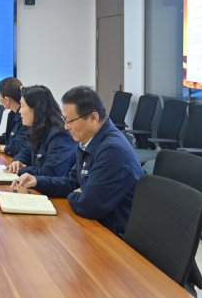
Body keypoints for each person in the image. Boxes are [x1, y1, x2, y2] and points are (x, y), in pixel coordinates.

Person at [11, 86, 143, 235]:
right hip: (93, 226)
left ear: (93, 118)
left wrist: (77, 193)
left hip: (112, 235)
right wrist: (36, 181)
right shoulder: (88, 140)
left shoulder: (112, 150)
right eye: (64, 119)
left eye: (70, 121)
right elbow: (71, 182)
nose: (66, 127)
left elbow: (89, 205)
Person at [4, 85, 76, 178]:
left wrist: (21, 170)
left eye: (22, 106)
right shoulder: (37, 130)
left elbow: (50, 173)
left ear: (36, 109)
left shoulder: (59, 136)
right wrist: (17, 161)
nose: (20, 111)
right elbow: (26, 151)